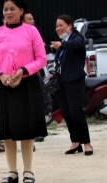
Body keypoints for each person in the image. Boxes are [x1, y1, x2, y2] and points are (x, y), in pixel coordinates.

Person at [0, 0, 47, 183]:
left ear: (21, 10)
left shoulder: (31, 31)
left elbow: (41, 59)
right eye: (5, 9)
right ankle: (12, 172)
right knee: (7, 130)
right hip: (4, 85)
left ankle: (28, 170)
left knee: (27, 128)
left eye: (13, 9)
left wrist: (23, 71)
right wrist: (1, 76)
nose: (8, 12)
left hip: (27, 84)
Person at [50, 14, 93, 156]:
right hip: (61, 82)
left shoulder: (76, 38)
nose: (58, 28)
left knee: (76, 112)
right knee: (67, 113)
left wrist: (61, 44)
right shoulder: (62, 43)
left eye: (61, 25)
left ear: (70, 26)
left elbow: (77, 45)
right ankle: (75, 141)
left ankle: (86, 143)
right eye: (57, 26)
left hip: (74, 81)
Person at [23, 11, 51, 143]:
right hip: (25, 75)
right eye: (29, 19)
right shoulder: (22, 36)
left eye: (33, 19)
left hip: (36, 73)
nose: (32, 21)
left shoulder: (34, 33)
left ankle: (38, 129)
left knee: (44, 100)